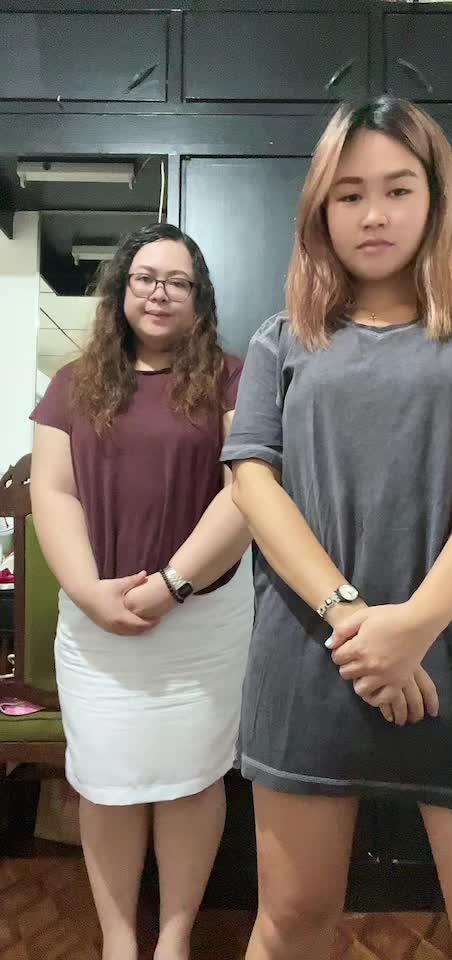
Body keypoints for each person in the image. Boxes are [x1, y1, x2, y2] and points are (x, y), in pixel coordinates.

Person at [222, 96, 452, 960]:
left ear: (436, 199)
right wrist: (358, 623)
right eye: (350, 193)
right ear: (320, 209)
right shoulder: (283, 341)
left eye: (398, 189)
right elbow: (253, 482)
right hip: (309, 658)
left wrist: (416, 627)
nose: (374, 214)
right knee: (291, 920)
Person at [30, 223, 253, 960]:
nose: (160, 293)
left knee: (193, 779)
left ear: (200, 297)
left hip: (203, 618)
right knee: (106, 781)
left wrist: (173, 585)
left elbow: (248, 492)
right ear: (122, 288)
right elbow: (53, 493)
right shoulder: (73, 383)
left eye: (178, 281)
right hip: (96, 622)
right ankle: (119, 940)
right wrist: (89, 593)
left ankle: (176, 938)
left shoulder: (232, 378)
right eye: (145, 278)